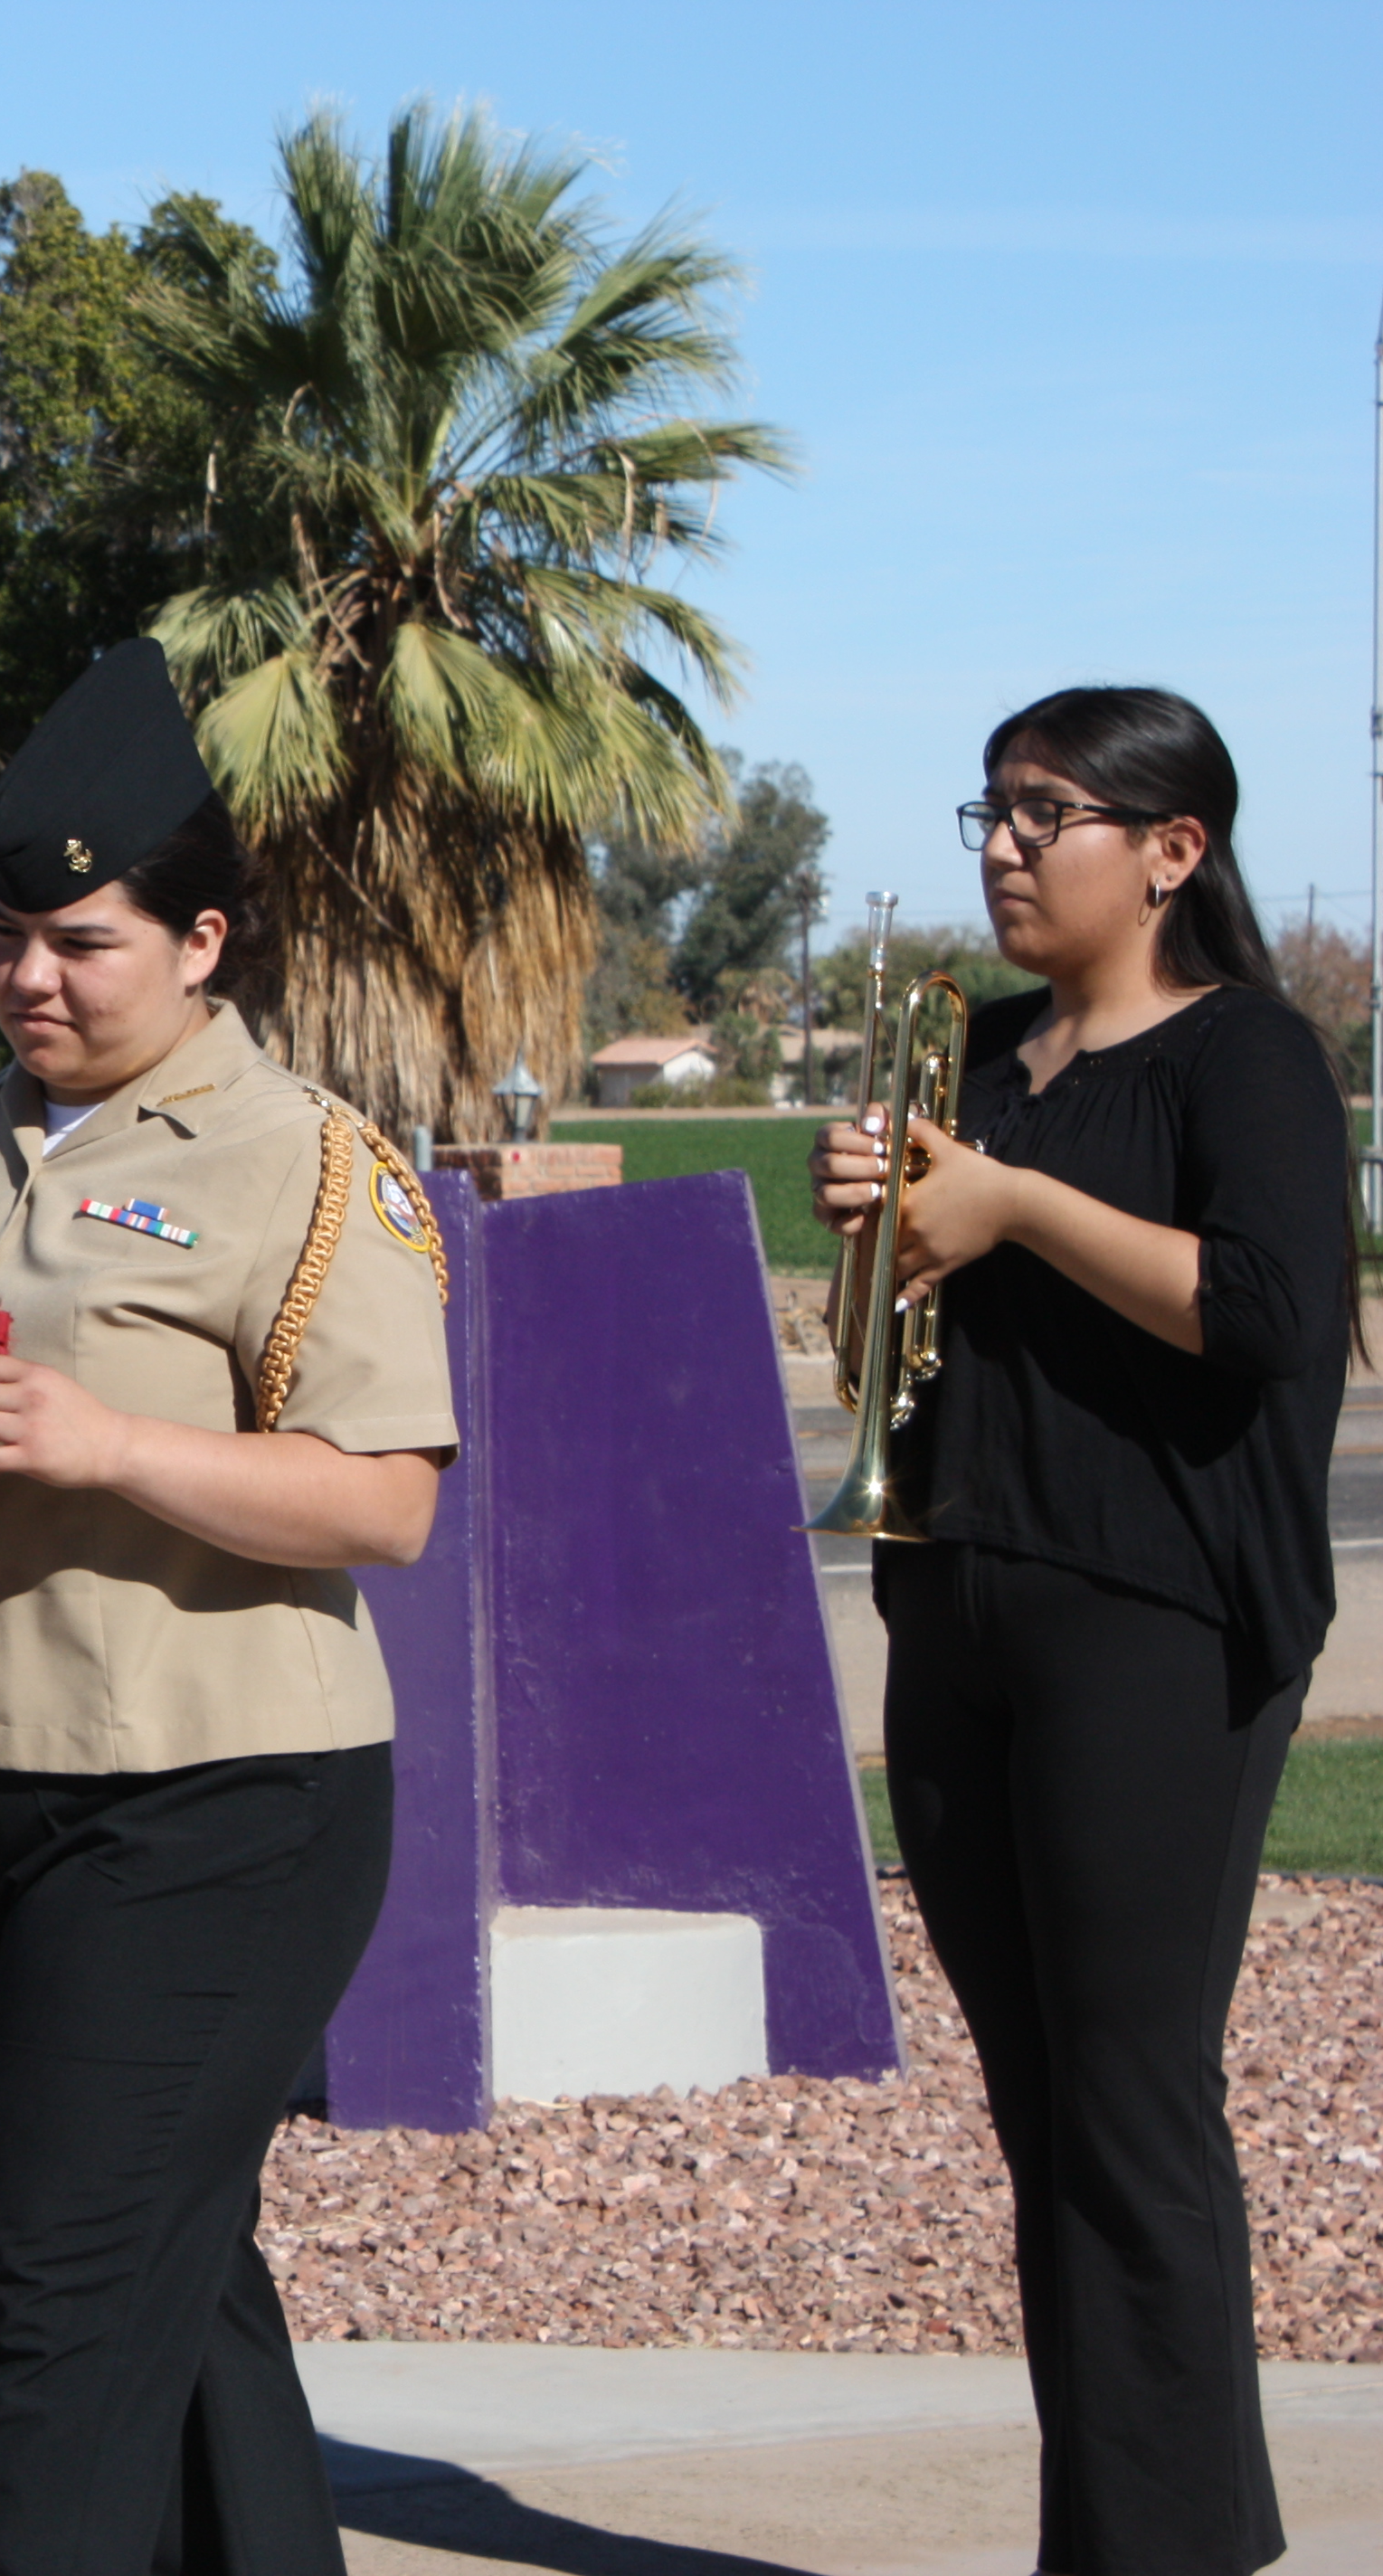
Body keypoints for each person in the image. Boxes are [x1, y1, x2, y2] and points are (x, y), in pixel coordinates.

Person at [0, 641, 454, 2576]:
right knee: (166, 2259)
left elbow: (387, 1499)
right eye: (3, 937)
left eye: (82, 940)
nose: (31, 978)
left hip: (218, 1795)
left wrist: (109, 1442)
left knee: (57, 2312)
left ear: (202, 938)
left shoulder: (304, 1158)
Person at [810, 686, 1348, 2576]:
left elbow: (1278, 1312)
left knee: (1130, 2107)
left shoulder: (1244, 1056)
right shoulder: (985, 1056)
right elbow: (905, 1349)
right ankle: (1162, 2527)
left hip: (1159, 1618)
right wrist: (880, 1237)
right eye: (996, 807)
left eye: (1052, 814)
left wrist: (1014, 1202)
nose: (1006, 843)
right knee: (1053, 2115)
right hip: (962, 1598)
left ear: (1173, 851)